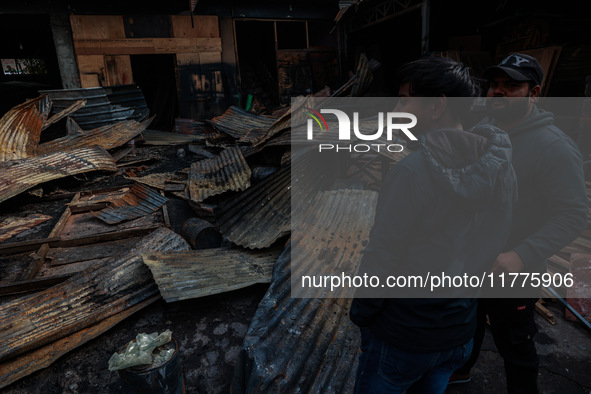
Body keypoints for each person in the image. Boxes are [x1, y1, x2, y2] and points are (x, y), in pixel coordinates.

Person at [349, 56, 518, 393]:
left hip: (403, 336)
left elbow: (383, 253)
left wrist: (363, 314)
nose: (397, 108)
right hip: (459, 333)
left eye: (404, 99)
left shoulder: (410, 172)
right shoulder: (501, 168)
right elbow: (494, 241)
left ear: (437, 106)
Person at [449, 53, 589, 393]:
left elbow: (573, 214)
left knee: (515, 343)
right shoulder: (482, 135)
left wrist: (523, 255)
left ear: (535, 92)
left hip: (513, 270)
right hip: (472, 260)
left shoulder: (553, 147)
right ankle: (462, 370)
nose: (498, 92)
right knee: (468, 325)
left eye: (511, 86)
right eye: (495, 85)